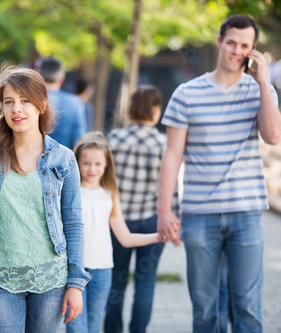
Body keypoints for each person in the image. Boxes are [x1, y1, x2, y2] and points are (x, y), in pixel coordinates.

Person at [158, 15, 281, 332]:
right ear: (219, 42)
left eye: (245, 46)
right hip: (199, 214)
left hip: (246, 213)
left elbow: (273, 136)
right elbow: (172, 155)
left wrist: (263, 80)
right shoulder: (187, 94)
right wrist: (164, 210)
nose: (237, 51)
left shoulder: (261, 90)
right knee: (204, 310)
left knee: (248, 308)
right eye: (231, 43)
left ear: (253, 50)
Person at [0, 64, 90, 332]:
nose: (16, 109)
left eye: (25, 101)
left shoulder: (63, 159)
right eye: (9, 102)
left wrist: (76, 284)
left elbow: (74, 223)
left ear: (42, 105)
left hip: (51, 280)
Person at [67, 131, 165, 333]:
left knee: (94, 326)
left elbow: (125, 237)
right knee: (76, 327)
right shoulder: (69, 191)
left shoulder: (110, 195)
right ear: (77, 162)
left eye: (97, 164)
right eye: (86, 163)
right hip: (73, 270)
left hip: (103, 270)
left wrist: (158, 235)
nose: (92, 169)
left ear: (106, 165)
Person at [104, 85, 179, 333]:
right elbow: (171, 188)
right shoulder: (163, 143)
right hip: (151, 223)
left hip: (116, 222)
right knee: (145, 285)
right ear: (156, 110)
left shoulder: (112, 140)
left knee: (115, 282)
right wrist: (175, 222)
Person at [37, 57, 86, 149]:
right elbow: (79, 141)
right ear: (62, 78)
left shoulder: (30, 100)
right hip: (65, 161)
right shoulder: (75, 103)